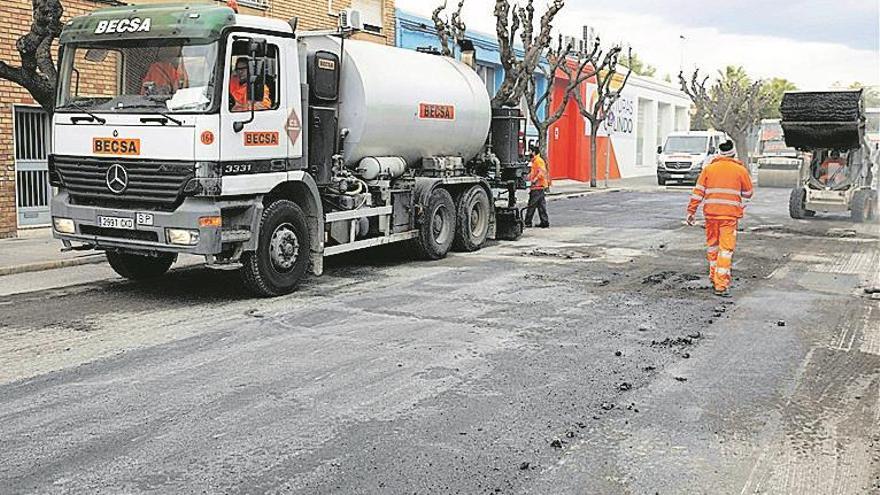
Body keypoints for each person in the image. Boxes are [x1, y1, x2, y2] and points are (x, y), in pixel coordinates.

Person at [686, 140, 754, 297]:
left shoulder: (708, 169)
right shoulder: (740, 170)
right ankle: (721, 284)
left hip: (710, 214)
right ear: (733, 153)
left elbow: (698, 192)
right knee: (726, 249)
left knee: (713, 246)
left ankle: (713, 275)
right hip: (729, 216)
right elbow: (748, 193)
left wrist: (691, 212)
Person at [525, 145, 550, 228]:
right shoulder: (535, 161)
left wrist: (535, 179)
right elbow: (534, 172)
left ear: (533, 152)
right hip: (539, 186)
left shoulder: (538, 161)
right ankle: (544, 222)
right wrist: (527, 178)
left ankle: (527, 222)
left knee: (531, 205)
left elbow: (541, 172)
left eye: (530, 151)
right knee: (541, 206)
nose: (529, 153)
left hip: (537, 186)